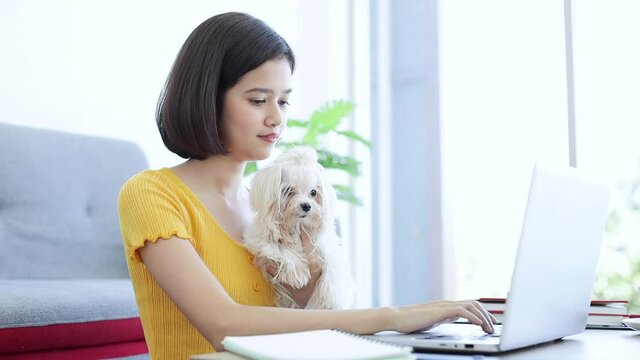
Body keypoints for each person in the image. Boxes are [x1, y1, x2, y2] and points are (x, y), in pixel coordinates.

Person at [118, 12, 496, 359]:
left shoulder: (269, 206)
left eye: (283, 101)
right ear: (206, 98)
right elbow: (223, 325)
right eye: (258, 100)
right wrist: (392, 316)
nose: (275, 118)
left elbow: (305, 315)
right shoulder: (152, 194)